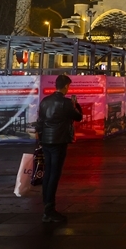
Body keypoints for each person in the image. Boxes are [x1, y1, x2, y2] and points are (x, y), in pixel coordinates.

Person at [36, 74, 82, 223]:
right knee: (54, 174)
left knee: (48, 173)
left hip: (46, 141)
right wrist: (76, 104)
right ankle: (49, 210)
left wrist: (41, 139)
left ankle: (46, 205)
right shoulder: (66, 103)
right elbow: (78, 117)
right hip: (59, 141)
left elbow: (40, 122)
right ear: (66, 86)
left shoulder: (45, 101)